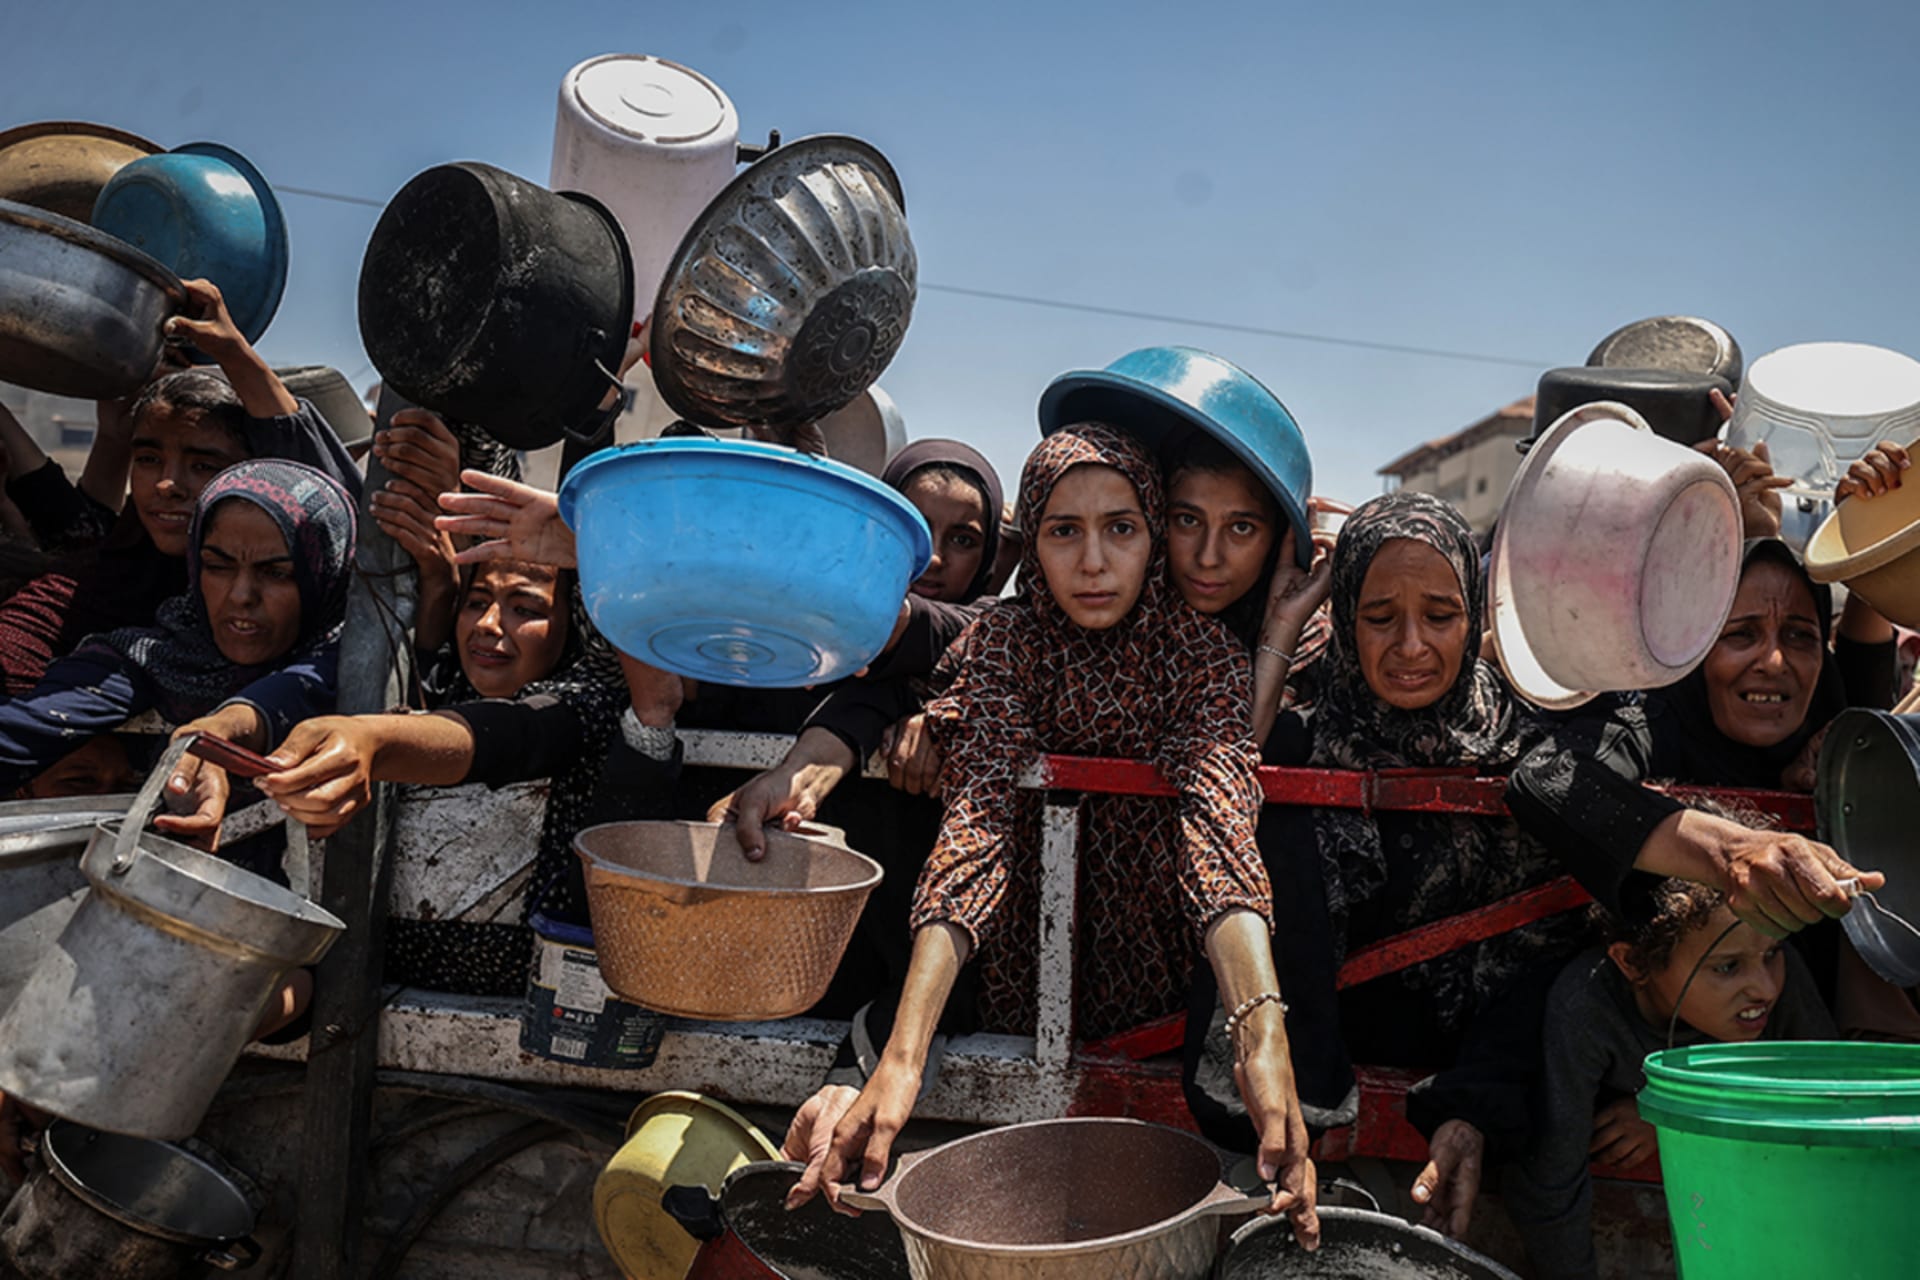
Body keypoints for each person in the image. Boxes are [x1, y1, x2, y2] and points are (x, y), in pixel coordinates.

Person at [786, 424, 1319, 1245]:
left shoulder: (1200, 656)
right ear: (1030, 543)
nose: (1094, 561)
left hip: (1156, 986)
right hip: (1013, 981)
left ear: (1151, 537)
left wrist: (1261, 1032)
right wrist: (903, 1058)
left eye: (1121, 528)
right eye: (1063, 531)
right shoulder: (1004, 643)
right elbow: (978, 829)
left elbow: (1220, 830)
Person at [0, 280, 362, 697]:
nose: (168, 484)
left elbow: (331, 507)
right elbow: (31, 625)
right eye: (148, 459)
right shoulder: (114, 575)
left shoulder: (321, 599)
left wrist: (234, 354)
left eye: (205, 465)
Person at [1504, 871, 1833, 1280]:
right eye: (1728, 967)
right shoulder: (1586, 1007)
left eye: (1774, 954)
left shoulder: (1779, 975)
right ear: (1633, 962)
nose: (1765, 988)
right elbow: (1551, 1178)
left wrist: (1668, 1115)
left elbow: (1826, 1101)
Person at [0, 459, 354, 795]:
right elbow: (30, 725)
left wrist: (225, 728)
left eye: (277, 573)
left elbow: (299, 686)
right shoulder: (161, 656)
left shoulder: (358, 663)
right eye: (218, 566)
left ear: (325, 575)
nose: (241, 596)